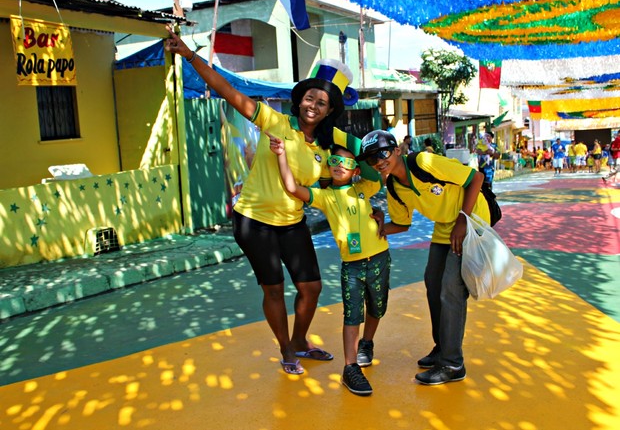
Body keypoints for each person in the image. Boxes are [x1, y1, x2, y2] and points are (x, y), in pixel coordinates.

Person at [165, 27, 360, 375]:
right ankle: (286, 348)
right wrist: (189, 55)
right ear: (300, 100)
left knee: (311, 287)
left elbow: (360, 165)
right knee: (274, 290)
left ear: (330, 111)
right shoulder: (276, 122)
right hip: (254, 221)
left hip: (292, 222)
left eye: (322, 103)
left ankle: (300, 340)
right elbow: (228, 91)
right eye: (309, 98)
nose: (313, 106)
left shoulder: (328, 146)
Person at [356, 130, 490, 386]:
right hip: (445, 226)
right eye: (372, 159)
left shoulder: (423, 163)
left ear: (396, 150)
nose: (379, 161)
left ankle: (452, 364)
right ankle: (442, 347)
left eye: (383, 152)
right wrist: (380, 225)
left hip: (471, 218)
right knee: (433, 283)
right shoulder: (394, 186)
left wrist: (463, 219)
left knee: (451, 288)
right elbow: (402, 224)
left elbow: (476, 178)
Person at [267, 134, 389, 395]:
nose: (339, 166)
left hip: (380, 256)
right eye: (334, 161)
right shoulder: (324, 196)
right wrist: (281, 156)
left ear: (355, 169)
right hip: (352, 266)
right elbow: (291, 187)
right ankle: (350, 367)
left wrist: (351, 147)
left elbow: (376, 175)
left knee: (377, 308)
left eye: (346, 163)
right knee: (352, 314)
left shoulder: (362, 187)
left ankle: (367, 343)